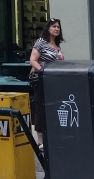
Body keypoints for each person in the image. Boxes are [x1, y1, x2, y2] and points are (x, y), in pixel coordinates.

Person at [29, 18, 65, 147]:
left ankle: (51, 136)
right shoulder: (41, 42)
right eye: (54, 26)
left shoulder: (57, 45)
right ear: (48, 28)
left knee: (53, 106)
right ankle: (40, 140)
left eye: (58, 27)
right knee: (40, 107)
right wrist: (44, 72)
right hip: (40, 79)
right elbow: (33, 60)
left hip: (53, 81)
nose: (56, 29)